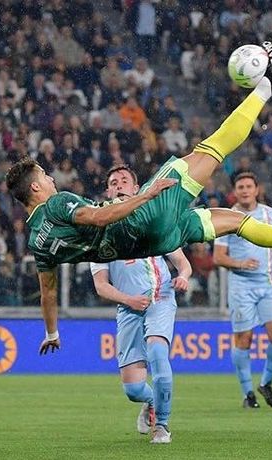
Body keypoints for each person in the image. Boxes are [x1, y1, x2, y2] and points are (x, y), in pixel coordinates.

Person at [4, 41, 272, 354]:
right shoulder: (56, 202)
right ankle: (266, 87)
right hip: (143, 219)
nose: (51, 179)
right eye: (45, 178)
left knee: (237, 223)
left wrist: (52, 332)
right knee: (212, 148)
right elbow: (99, 217)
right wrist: (147, 195)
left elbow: (48, 294)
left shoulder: (38, 243)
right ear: (35, 188)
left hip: (152, 242)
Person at [91, 165, 189, 444]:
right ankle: (151, 402)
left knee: (159, 356)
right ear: (108, 191)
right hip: (128, 309)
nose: (119, 184)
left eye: (125, 180)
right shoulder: (99, 233)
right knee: (134, 389)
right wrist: (128, 299)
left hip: (160, 297)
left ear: (136, 189)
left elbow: (182, 263)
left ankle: (163, 426)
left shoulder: (153, 221)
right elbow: (101, 286)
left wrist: (182, 276)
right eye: (113, 182)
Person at [213, 171, 272, 409]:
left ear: (257, 189)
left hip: (268, 285)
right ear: (235, 191)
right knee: (244, 339)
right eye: (240, 187)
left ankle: (266, 383)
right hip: (241, 286)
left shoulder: (271, 215)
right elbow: (218, 257)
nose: (245, 190)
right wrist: (240, 264)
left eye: (249, 186)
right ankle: (248, 393)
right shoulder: (227, 217)